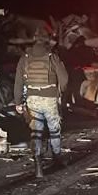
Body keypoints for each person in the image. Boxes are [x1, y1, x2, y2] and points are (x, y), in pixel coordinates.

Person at [14, 30, 69, 178]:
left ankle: (38, 166)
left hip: (32, 99)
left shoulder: (25, 58)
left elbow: (18, 82)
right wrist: (60, 92)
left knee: (36, 133)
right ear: (47, 41)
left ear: (34, 40)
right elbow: (64, 79)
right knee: (54, 130)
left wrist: (18, 102)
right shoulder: (52, 56)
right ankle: (57, 159)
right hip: (50, 98)